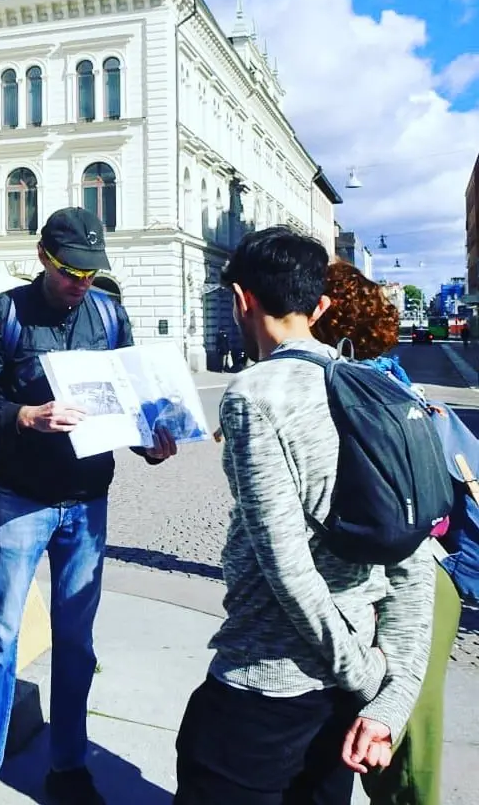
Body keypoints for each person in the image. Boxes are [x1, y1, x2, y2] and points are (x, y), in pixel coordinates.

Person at [174, 228, 435, 805]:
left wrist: (364, 674)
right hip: (346, 700)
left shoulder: (255, 394)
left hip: (265, 686)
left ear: (241, 300)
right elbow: (414, 562)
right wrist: (387, 698)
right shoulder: (380, 391)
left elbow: (287, 567)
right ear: (319, 308)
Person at [0, 207, 177, 805]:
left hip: (87, 502)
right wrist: (23, 415)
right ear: (42, 258)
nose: (81, 282)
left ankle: (68, 766)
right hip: (20, 499)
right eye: (70, 271)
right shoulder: (1, 315)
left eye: (90, 272)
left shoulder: (109, 314)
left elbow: (127, 401)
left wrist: (149, 442)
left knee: (76, 642)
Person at [312, 259, 462, 805]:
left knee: (397, 765)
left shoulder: (355, 401)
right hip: (431, 581)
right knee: (396, 756)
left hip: (398, 589)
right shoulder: (395, 385)